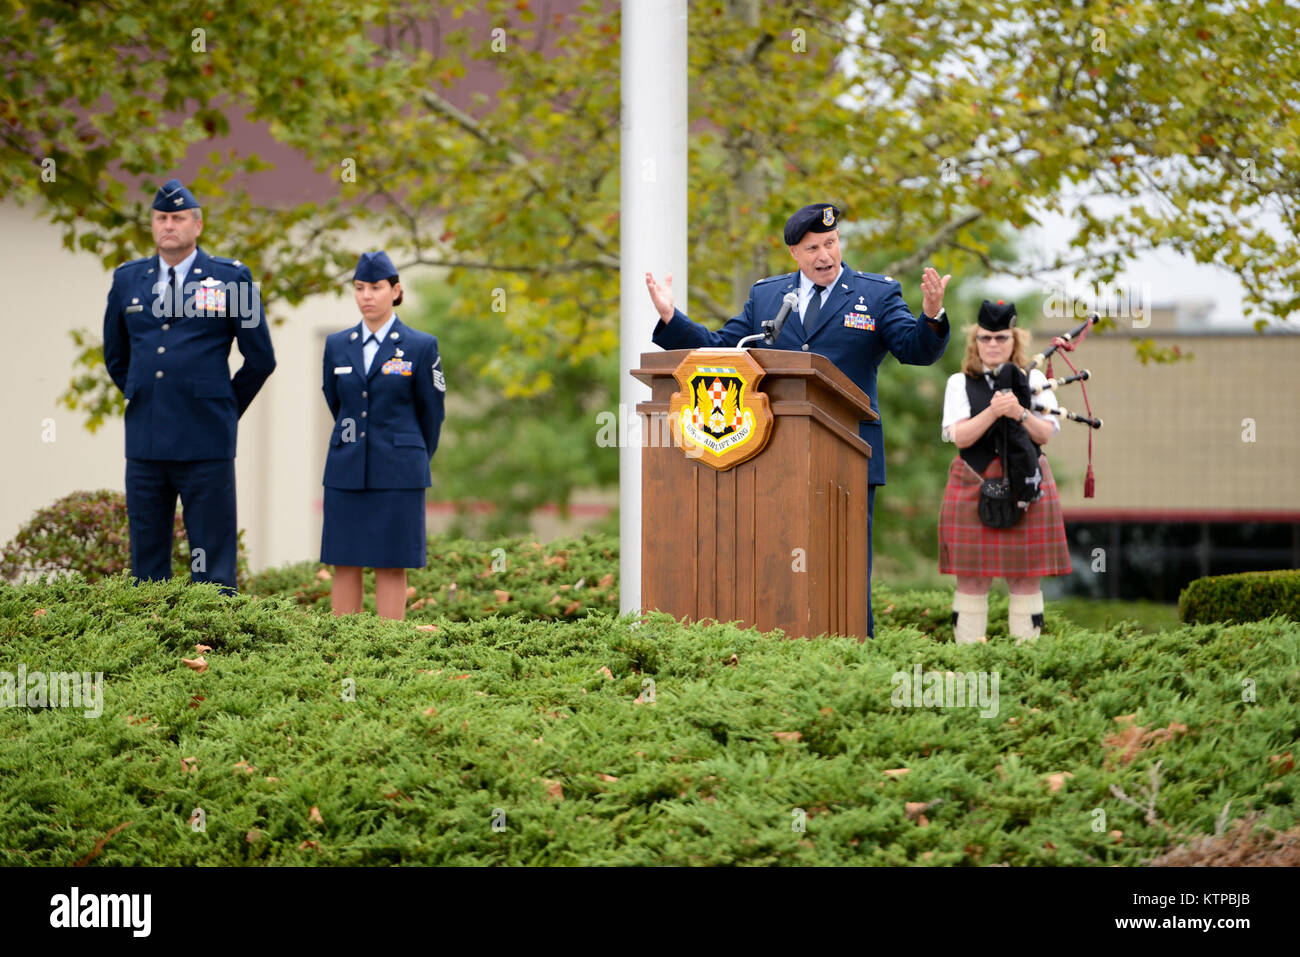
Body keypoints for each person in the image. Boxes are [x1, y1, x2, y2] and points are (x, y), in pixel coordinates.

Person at [645, 203, 951, 638]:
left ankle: (853, 653)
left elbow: (915, 350)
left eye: (831, 243)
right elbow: (722, 348)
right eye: (813, 248)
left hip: (850, 453)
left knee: (843, 564)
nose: (825, 255)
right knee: (776, 561)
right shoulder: (769, 297)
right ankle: (778, 644)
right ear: (794, 253)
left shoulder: (876, 295)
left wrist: (933, 315)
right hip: (772, 454)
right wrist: (672, 319)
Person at [102, 178, 276, 593]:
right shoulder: (128, 279)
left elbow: (261, 359)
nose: (168, 225)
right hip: (146, 439)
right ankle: (151, 647)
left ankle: (212, 647)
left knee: (212, 562)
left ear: (197, 226)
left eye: (178, 218)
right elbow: (116, 356)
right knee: (146, 563)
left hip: (206, 438)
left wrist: (225, 406)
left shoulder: (232, 279)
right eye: (161, 218)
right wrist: (145, 394)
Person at [938, 300, 1072, 644]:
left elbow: (1045, 435)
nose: (993, 345)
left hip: (1026, 482)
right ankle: (967, 661)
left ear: (1015, 340)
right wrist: (995, 411)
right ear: (975, 341)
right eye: (985, 338)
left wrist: (1020, 413)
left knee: (1026, 576)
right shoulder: (959, 382)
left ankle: (1027, 665)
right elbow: (960, 437)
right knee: (971, 577)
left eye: (1001, 338)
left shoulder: (1037, 379)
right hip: (972, 480)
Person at [321, 251, 445, 620]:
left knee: (392, 562)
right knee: (345, 560)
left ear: (395, 291)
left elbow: (432, 413)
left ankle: (388, 651)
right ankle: (343, 648)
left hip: (399, 470)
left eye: (375, 287)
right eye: (359, 288)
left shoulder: (421, 346)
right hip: (346, 469)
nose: (366, 296)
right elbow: (335, 400)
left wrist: (411, 452)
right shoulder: (337, 345)